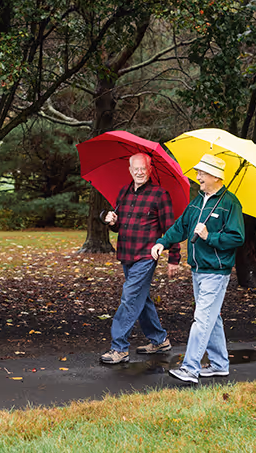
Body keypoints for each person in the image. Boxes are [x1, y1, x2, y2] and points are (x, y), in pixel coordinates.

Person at [151, 153, 244, 383]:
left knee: (202, 318)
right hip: (198, 269)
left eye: (202, 173)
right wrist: (163, 242)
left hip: (216, 270)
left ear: (214, 175)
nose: (198, 176)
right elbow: (180, 226)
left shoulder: (230, 203)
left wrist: (209, 236)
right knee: (212, 318)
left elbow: (237, 237)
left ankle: (190, 368)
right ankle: (220, 365)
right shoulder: (197, 201)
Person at [100, 152, 181, 364]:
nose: (139, 172)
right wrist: (111, 221)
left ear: (150, 169)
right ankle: (159, 339)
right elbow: (119, 226)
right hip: (126, 253)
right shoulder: (124, 193)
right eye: (135, 168)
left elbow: (171, 229)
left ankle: (119, 348)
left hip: (147, 255)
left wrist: (174, 257)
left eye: (143, 168)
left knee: (129, 297)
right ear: (129, 170)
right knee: (141, 299)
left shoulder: (159, 195)